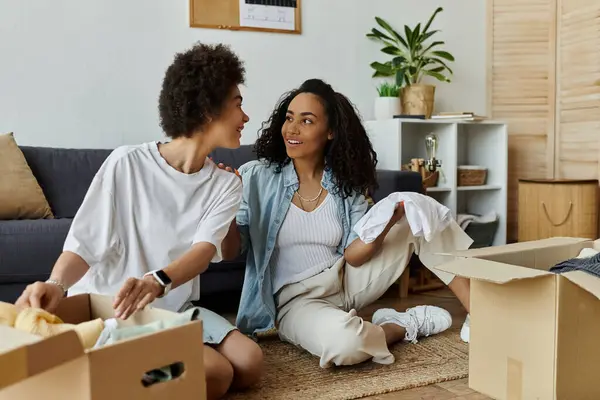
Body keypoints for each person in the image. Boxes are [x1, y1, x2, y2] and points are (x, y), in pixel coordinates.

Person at [15, 43, 263, 399]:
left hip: (174, 309)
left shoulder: (226, 183)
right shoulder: (126, 163)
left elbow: (204, 251)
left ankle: (111, 374)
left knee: (249, 362)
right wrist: (56, 284)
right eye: (238, 103)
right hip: (112, 307)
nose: (245, 116)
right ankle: (104, 378)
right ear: (208, 109)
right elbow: (85, 242)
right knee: (215, 373)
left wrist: (159, 281)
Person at [219, 78, 473, 368]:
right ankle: (398, 325)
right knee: (346, 346)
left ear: (330, 132)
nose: (292, 128)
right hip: (296, 301)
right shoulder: (255, 176)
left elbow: (354, 255)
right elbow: (230, 252)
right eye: (289, 118)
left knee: (420, 210)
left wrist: (390, 220)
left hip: (346, 280)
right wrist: (226, 207)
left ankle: (480, 313)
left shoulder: (344, 184)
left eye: (307, 120)